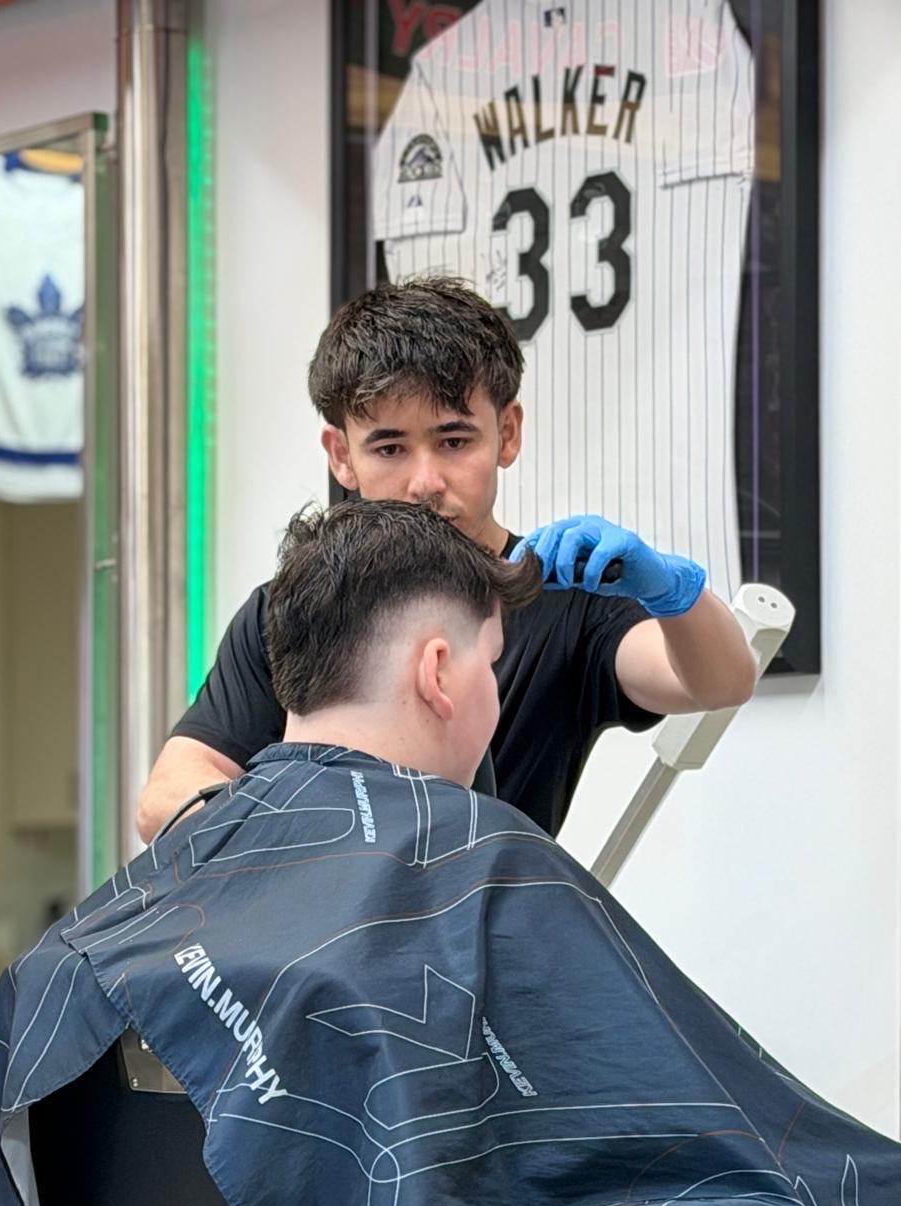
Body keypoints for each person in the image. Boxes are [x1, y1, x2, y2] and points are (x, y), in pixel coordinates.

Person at [0, 498, 901, 1206]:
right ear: (438, 672)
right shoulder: (488, 862)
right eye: (495, 663)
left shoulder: (119, 930)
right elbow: (745, 1159)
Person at [137, 275, 757, 843]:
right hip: (311, 955)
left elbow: (721, 681)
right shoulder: (292, 610)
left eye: (454, 440)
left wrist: (673, 594)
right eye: (389, 447)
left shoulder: (565, 600)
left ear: (507, 433)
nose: (425, 482)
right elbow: (166, 797)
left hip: (482, 949)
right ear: (341, 454)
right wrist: (318, 861)